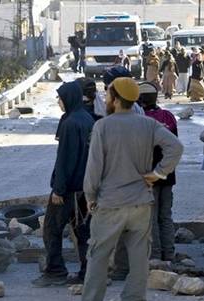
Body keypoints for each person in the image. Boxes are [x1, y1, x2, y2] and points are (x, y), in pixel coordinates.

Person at [82, 77, 183, 301]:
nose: (105, 97)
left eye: (108, 93)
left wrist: (90, 196)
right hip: (140, 203)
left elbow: (94, 169)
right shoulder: (148, 123)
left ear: (116, 99)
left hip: (110, 204)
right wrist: (158, 174)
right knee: (139, 262)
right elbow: (175, 147)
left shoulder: (102, 126)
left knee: (98, 257)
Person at [32, 81, 94, 287]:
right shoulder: (87, 118)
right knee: (84, 232)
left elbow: (65, 159)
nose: (58, 102)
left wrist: (58, 189)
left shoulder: (69, 123)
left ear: (68, 98)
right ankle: (88, 271)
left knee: (51, 229)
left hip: (67, 190)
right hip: (85, 189)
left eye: (60, 98)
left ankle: (55, 270)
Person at [138, 82, 178, 262]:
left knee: (151, 218)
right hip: (168, 175)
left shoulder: (141, 120)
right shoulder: (168, 116)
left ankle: (155, 257)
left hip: (149, 176)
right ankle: (169, 254)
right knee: (166, 216)